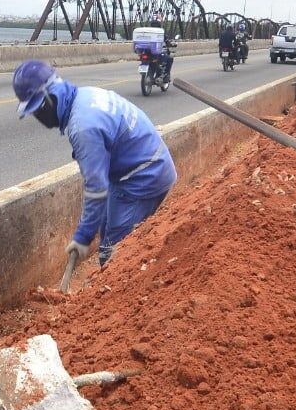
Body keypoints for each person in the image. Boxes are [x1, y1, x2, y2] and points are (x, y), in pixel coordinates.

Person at [12, 60, 176, 266]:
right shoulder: (84, 96)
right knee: (106, 229)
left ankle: (122, 293)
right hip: (133, 170)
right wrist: (89, 230)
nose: (37, 116)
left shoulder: (83, 127)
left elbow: (97, 188)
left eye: (38, 109)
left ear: (49, 97)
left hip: (144, 177)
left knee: (115, 252)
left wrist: (82, 237)